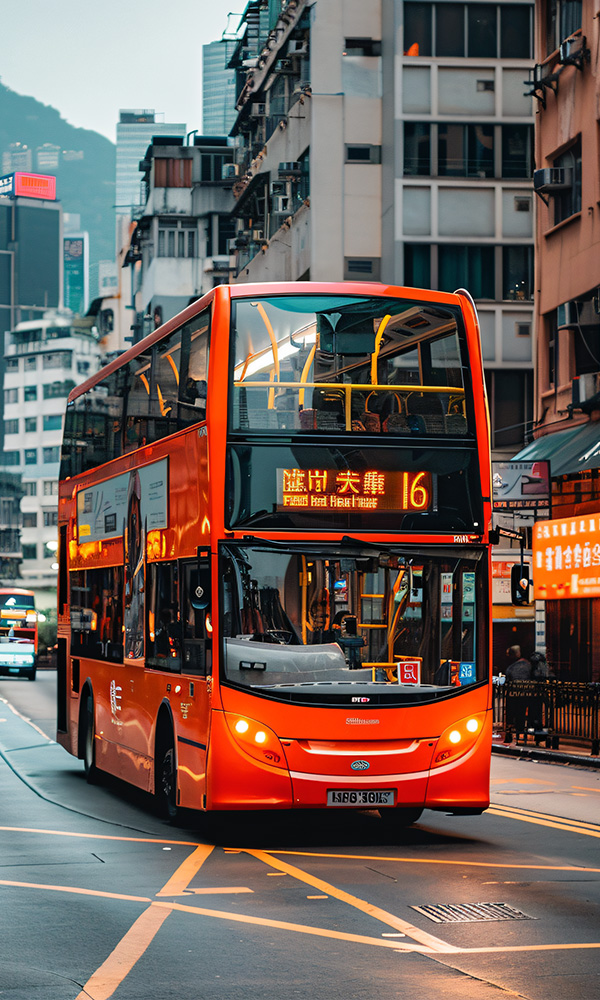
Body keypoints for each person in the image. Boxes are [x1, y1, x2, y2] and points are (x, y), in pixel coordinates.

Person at [505, 645, 531, 738]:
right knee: (521, 712)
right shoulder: (528, 665)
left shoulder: (511, 667)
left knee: (513, 712)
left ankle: (512, 730)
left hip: (513, 694)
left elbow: (507, 678)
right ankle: (521, 730)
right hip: (526, 694)